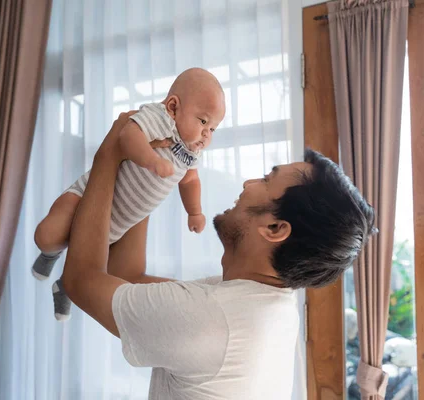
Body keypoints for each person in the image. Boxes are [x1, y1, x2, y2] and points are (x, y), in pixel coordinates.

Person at [61, 113, 376, 400]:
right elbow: (129, 276)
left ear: (275, 227)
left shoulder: (212, 318)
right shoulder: (266, 304)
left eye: (267, 181)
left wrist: (109, 155)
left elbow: (79, 281)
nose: (248, 182)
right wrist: (148, 171)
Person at [31, 68, 226, 320]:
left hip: (119, 223)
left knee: (88, 267)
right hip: (88, 197)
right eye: (203, 121)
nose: (206, 135)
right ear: (174, 107)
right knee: (47, 235)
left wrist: (195, 211)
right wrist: (150, 160)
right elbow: (127, 134)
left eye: (213, 129)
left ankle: (63, 289)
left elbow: (190, 180)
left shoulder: (192, 152)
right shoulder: (161, 118)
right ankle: (49, 253)